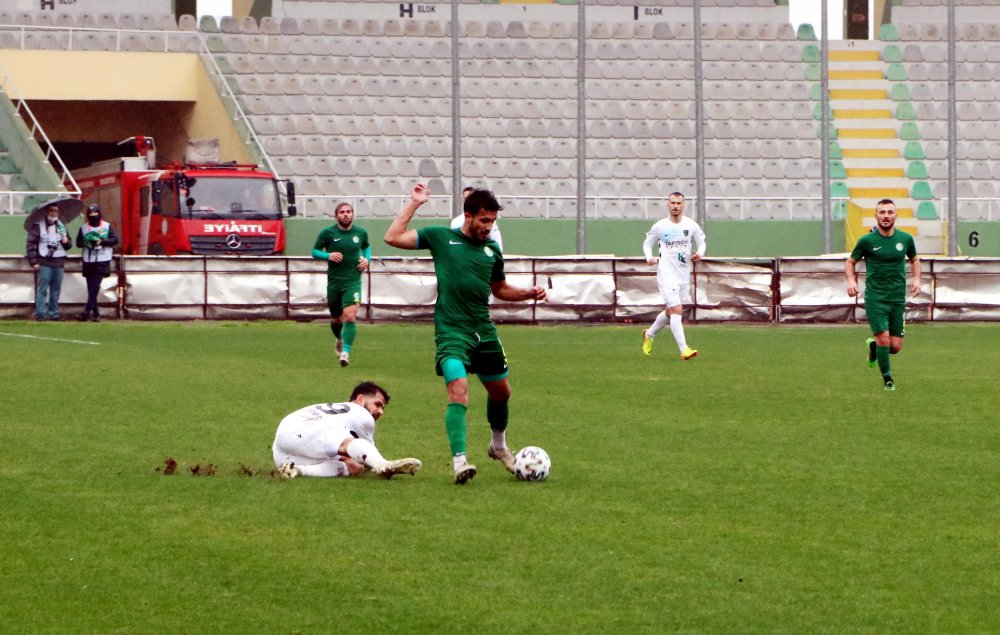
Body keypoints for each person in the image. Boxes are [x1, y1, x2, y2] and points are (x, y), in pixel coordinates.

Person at [384, 184, 546, 485]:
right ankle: (460, 461)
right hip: (451, 330)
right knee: (458, 388)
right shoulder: (441, 237)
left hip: (482, 330)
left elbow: (499, 289)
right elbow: (392, 237)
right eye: (484, 220)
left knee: (502, 393)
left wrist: (528, 293)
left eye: (493, 221)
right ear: (468, 215)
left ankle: (498, 447)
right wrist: (414, 204)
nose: (488, 227)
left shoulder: (492, 251)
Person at [845, 198, 921, 392]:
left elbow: (915, 259)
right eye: (882, 212)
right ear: (876, 216)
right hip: (875, 298)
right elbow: (850, 262)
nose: (886, 216)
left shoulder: (905, 239)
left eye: (889, 212)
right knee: (884, 340)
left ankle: (873, 347)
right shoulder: (867, 241)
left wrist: (917, 280)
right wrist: (851, 280)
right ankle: (888, 380)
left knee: (895, 347)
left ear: (896, 215)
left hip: (897, 298)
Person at [272, 381, 422, 479]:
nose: (380, 411)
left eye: (382, 408)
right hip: (305, 430)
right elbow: (365, 452)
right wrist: (380, 464)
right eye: (377, 404)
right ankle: (383, 465)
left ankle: (297, 470)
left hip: (281, 448)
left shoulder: (341, 413)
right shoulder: (362, 413)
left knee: (354, 467)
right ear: (360, 399)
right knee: (351, 448)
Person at [640, 192, 706, 360]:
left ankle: (649, 334)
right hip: (666, 274)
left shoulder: (690, 225)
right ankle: (684, 349)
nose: (675, 206)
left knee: (670, 312)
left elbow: (702, 242)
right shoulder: (660, 226)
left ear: (683, 205)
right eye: (672, 203)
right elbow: (647, 243)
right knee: (677, 310)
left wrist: (700, 253)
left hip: (683, 275)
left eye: (678, 203)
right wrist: (648, 258)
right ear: (668, 205)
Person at [312, 202, 370, 367]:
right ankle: (339, 338)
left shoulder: (361, 233)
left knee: (350, 317)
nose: (346, 214)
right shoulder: (328, 233)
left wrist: (367, 260)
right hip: (335, 284)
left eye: (348, 211)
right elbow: (314, 251)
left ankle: (345, 353)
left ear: (353, 214)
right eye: (342, 212)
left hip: (353, 282)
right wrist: (327, 255)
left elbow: (366, 247)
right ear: (336, 215)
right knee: (336, 319)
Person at [26, 204, 73, 321]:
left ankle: (54, 313)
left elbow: (68, 246)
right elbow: (31, 245)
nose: (53, 213)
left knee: (56, 289)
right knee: (42, 289)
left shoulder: (62, 226)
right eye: (51, 210)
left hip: (59, 261)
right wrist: (33, 262)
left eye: (56, 211)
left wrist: (66, 241)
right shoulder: (38, 226)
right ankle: (40, 313)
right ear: (46, 212)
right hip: (44, 261)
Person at [75, 204, 119, 322]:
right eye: (91, 213)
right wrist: (87, 243)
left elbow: (115, 240)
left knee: (95, 287)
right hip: (88, 260)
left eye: (95, 212)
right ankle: (96, 314)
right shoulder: (83, 228)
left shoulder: (107, 226)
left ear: (99, 213)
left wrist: (102, 242)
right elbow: (78, 243)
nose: (93, 215)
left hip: (102, 260)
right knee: (91, 288)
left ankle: (85, 312)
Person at [450, 186, 503, 250]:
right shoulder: (456, 222)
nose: (489, 227)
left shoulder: (490, 222)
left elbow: (498, 244)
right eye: (466, 198)